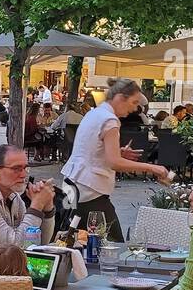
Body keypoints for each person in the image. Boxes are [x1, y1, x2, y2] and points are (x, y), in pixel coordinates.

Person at [60, 78, 169, 241]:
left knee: (74, 240)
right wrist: (153, 168)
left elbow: (89, 149)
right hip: (90, 190)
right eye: (133, 102)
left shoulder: (94, 113)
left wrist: (116, 152)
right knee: (112, 245)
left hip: (71, 184)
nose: (135, 108)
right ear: (119, 98)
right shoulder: (110, 121)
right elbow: (114, 162)